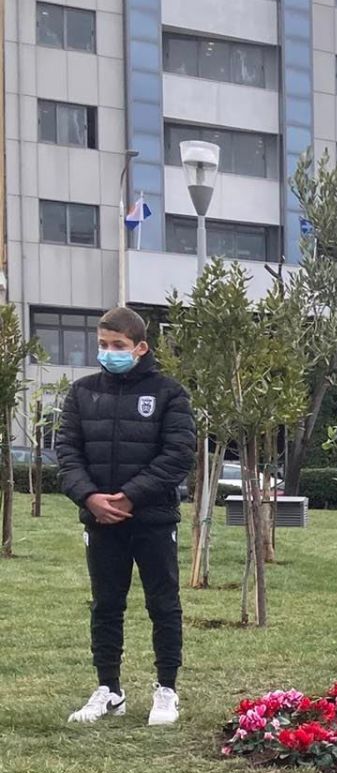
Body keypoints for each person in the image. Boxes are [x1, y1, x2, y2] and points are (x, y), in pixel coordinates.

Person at [56, 307, 197, 726]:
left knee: (163, 604)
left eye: (118, 345)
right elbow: (67, 453)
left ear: (140, 348)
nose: (109, 352)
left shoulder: (170, 394)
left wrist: (132, 496)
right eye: (103, 344)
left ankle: (166, 689)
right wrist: (89, 497)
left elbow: (178, 455)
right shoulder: (81, 394)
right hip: (101, 522)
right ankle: (109, 689)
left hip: (153, 519)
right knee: (105, 605)